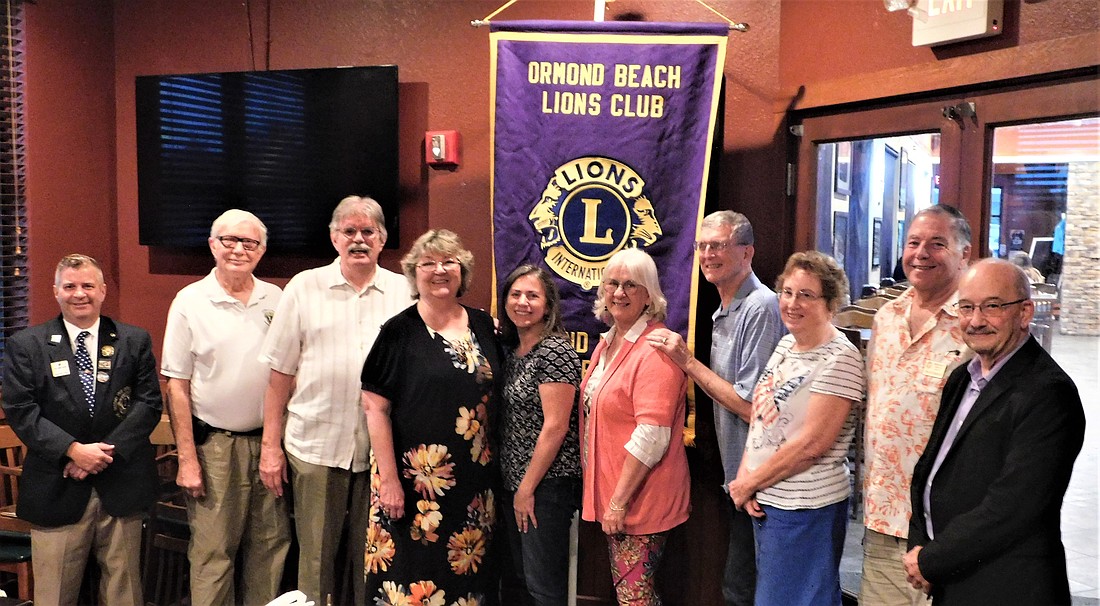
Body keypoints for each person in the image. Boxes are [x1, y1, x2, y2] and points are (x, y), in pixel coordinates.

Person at [258, 196, 412, 604]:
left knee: (375, 559)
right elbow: (278, 377)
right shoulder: (303, 288)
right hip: (315, 447)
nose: (359, 240)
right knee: (316, 562)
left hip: (383, 453)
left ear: (382, 239)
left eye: (368, 232)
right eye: (350, 231)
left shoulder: (404, 292)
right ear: (334, 237)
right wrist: (270, 448)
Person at [905, 259, 1085, 605]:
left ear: (1025, 312)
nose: (976, 320)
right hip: (952, 577)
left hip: (1007, 586)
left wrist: (929, 561)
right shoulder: (962, 377)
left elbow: (1012, 507)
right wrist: (921, 545)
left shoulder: (1049, 392)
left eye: (993, 306)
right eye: (967, 307)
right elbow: (930, 471)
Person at [1, 254, 162, 605]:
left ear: (103, 291)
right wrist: (73, 450)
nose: (80, 294)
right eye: (70, 286)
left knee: (126, 594)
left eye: (88, 286)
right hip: (56, 486)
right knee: (54, 596)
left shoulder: (133, 340)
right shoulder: (27, 345)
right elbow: (21, 411)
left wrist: (102, 454)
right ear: (56, 291)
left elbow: (148, 404)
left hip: (121, 483)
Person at [360, 229, 503, 606]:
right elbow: (375, 407)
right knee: (412, 579)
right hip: (413, 486)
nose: (439, 270)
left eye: (449, 262)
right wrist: (389, 481)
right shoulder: (397, 332)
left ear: (463, 272)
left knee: (466, 579)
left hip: (473, 485)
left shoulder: (484, 325)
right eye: (428, 263)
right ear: (414, 273)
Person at [647, 211, 783, 606]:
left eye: (718, 245)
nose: (708, 254)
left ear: (747, 252)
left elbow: (749, 406)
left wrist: (688, 363)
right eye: (702, 246)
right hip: (739, 476)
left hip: (761, 480)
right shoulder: (723, 310)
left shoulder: (760, 307)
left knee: (746, 591)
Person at [161, 209, 291, 604]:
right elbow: (176, 386)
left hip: (271, 444)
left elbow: (288, 374)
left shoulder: (277, 298)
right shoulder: (190, 301)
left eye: (249, 242)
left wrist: (276, 445)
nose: (238, 249)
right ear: (213, 245)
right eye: (229, 240)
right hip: (214, 447)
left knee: (270, 549)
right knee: (213, 555)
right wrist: (186, 459)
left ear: (262, 249)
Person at [728, 251, 865, 606]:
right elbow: (761, 417)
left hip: (807, 508)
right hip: (769, 499)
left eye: (806, 295)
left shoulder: (841, 358)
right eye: (787, 292)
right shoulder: (788, 342)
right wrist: (747, 476)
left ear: (831, 302)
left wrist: (750, 482)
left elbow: (812, 445)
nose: (792, 303)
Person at [860, 205, 973, 606]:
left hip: (947, 528)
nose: (921, 253)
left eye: (937, 244)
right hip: (883, 521)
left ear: (964, 255)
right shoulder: (885, 317)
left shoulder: (975, 323)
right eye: (914, 242)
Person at [579, 248, 689, 605]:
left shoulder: (655, 348)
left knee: (634, 598)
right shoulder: (609, 342)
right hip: (618, 495)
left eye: (631, 285)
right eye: (612, 283)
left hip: (639, 500)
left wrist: (618, 503)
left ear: (649, 295)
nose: (619, 293)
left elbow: (652, 436)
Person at [498, 264, 582, 606]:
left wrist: (526, 489)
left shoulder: (555, 351)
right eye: (515, 294)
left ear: (548, 306)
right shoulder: (512, 351)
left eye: (533, 295)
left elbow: (556, 426)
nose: (522, 302)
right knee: (521, 583)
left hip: (545, 487)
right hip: (514, 484)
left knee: (544, 588)